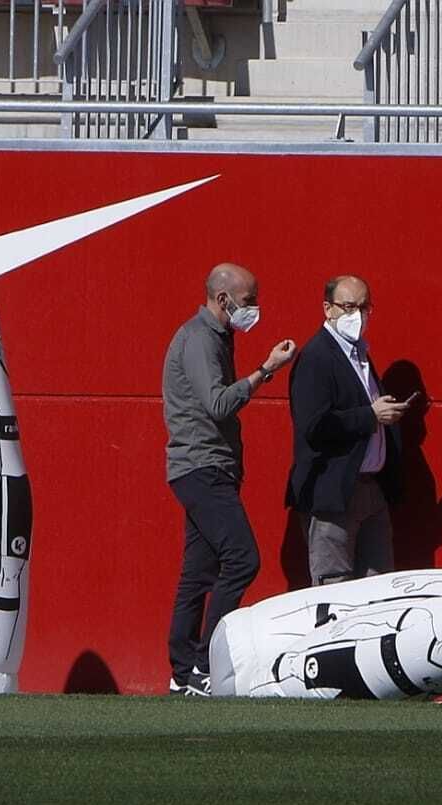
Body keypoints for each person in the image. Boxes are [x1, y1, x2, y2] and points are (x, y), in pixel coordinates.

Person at [162, 263, 296, 696]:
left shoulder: (215, 337)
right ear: (224, 300)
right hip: (201, 467)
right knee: (243, 559)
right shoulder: (200, 339)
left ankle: (183, 672)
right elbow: (218, 404)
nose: (253, 309)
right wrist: (265, 370)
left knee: (199, 571)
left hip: (207, 467)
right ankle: (202, 662)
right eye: (249, 300)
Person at [284, 275, 406, 586]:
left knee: (379, 585)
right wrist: (370, 415)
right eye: (349, 307)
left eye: (364, 307)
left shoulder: (359, 355)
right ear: (328, 309)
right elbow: (314, 426)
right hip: (333, 492)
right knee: (334, 588)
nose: (358, 316)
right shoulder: (316, 358)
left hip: (370, 488)